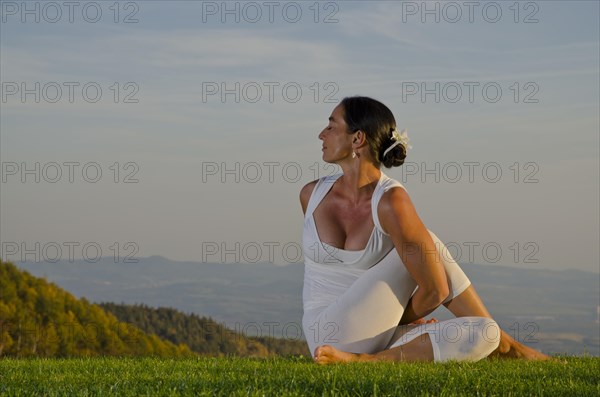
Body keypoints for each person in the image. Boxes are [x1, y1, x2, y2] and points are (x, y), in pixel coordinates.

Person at [299, 96, 549, 364]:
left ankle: (497, 342)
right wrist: (398, 315)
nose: (321, 134)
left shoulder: (390, 202)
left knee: (484, 332)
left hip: (371, 333)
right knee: (429, 242)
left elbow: (435, 291)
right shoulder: (312, 194)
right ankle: (508, 346)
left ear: (357, 139)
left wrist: (389, 317)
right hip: (324, 331)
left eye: (331, 126)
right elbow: (435, 290)